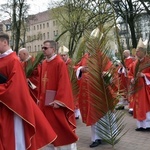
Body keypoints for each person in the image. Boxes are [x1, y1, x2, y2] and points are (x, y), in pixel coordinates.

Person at [0, 33, 57, 150]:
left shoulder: (13, 60)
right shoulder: (4, 59)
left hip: (13, 107)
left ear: (5, 42)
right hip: (3, 104)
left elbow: (15, 87)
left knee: (13, 137)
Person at [75, 28, 118, 148]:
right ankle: (96, 138)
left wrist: (106, 75)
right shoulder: (85, 57)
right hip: (89, 92)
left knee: (103, 115)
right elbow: (77, 68)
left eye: (93, 43)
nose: (90, 45)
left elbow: (112, 72)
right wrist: (80, 70)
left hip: (100, 91)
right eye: (89, 43)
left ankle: (108, 136)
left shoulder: (102, 57)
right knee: (93, 115)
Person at [39, 40, 78, 150]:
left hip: (56, 104)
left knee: (62, 130)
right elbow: (42, 83)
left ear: (53, 49)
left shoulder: (59, 63)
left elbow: (64, 83)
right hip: (45, 104)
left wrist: (59, 101)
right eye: (42, 48)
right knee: (48, 131)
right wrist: (39, 99)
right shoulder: (44, 63)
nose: (43, 50)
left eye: (45, 48)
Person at [128, 38, 150, 131]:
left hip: (145, 88)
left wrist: (144, 75)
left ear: (143, 52)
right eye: (136, 51)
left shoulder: (148, 61)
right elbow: (130, 74)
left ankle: (147, 125)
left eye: (138, 51)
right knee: (138, 105)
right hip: (137, 88)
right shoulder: (135, 63)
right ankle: (140, 125)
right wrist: (132, 79)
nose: (136, 53)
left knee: (145, 105)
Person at [58, 45, 80, 119]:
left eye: (64, 55)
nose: (63, 57)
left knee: (74, 98)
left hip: (72, 83)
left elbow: (77, 69)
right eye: (61, 55)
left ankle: (76, 114)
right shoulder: (59, 63)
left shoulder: (72, 63)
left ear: (67, 55)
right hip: (63, 84)